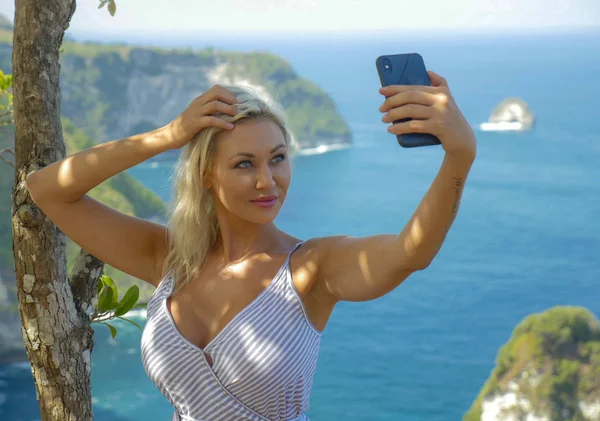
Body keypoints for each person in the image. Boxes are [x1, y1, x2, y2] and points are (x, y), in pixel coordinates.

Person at [25, 71, 476, 421]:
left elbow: (410, 253)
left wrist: (459, 156)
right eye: (244, 164)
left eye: (278, 158)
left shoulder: (311, 269)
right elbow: (47, 189)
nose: (268, 181)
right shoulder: (170, 259)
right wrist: (169, 136)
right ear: (207, 175)